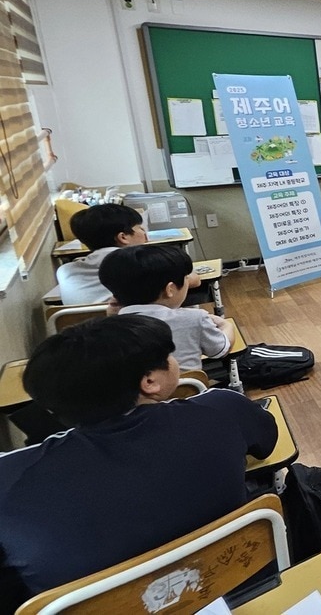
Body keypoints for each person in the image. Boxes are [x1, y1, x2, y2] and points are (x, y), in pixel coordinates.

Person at [0, 315, 277, 611]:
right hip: (242, 591)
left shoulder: (10, 478)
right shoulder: (223, 410)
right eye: (168, 356)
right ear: (149, 381)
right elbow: (267, 442)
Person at [99, 245, 233, 372]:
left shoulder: (104, 329)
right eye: (186, 278)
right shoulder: (195, 318)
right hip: (187, 394)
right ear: (170, 289)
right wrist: (225, 325)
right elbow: (220, 350)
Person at [54, 203, 147, 305]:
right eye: (140, 228)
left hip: (80, 320)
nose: (144, 232)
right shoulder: (141, 264)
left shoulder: (64, 271)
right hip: (132, 320)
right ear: (123, 237)